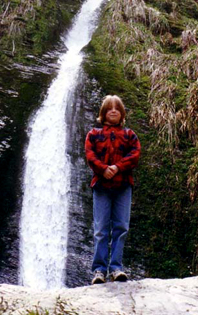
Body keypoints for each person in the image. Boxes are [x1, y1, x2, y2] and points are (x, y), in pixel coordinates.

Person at [84, 95, 141, 284]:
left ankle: (116, 268)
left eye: (117, 108)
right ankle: (99, 270)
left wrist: (117, 167)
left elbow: (135, 154)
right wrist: (103, 169)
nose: (114, 111)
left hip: (123, 186)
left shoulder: (129, 135)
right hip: (101, 186)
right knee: (100, 229)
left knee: (121, 227)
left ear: (122, 113)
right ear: (103, 113)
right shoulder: (93, 134)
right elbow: (90, 155)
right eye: (110, 108)